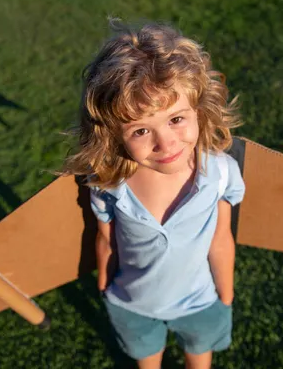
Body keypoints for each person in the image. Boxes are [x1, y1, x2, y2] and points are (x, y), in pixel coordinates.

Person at [61, 19, 245, 369]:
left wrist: (226, 295)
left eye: (176, 119)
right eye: (142, 130)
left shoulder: (220, 173)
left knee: (199, 361)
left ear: (199, 111)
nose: (165, 143)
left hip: (200, 302)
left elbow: (221, 240)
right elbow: (107, 240)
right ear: (113, 135)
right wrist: (104, 284)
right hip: (132, 305)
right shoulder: (108, 183)